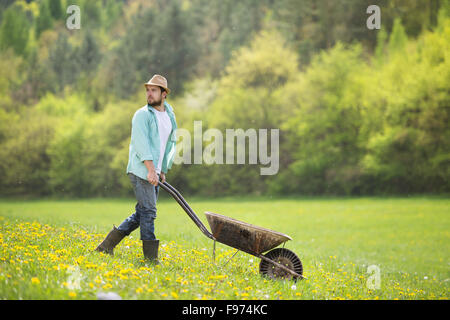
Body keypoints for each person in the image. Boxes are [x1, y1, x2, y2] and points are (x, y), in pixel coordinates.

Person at [95, 75, 177, 264]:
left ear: (164, 94)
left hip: (154, 171)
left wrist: (161, 170)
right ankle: (150, 259)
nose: (149, 93)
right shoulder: (142, 115)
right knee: (149, 211)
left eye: (154, 90)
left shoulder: (169, 115)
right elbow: (141, 145)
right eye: (147, 90)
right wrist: (150, 170)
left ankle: (106, 246)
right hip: (141, 170)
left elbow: (166, 144)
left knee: (141, 213)